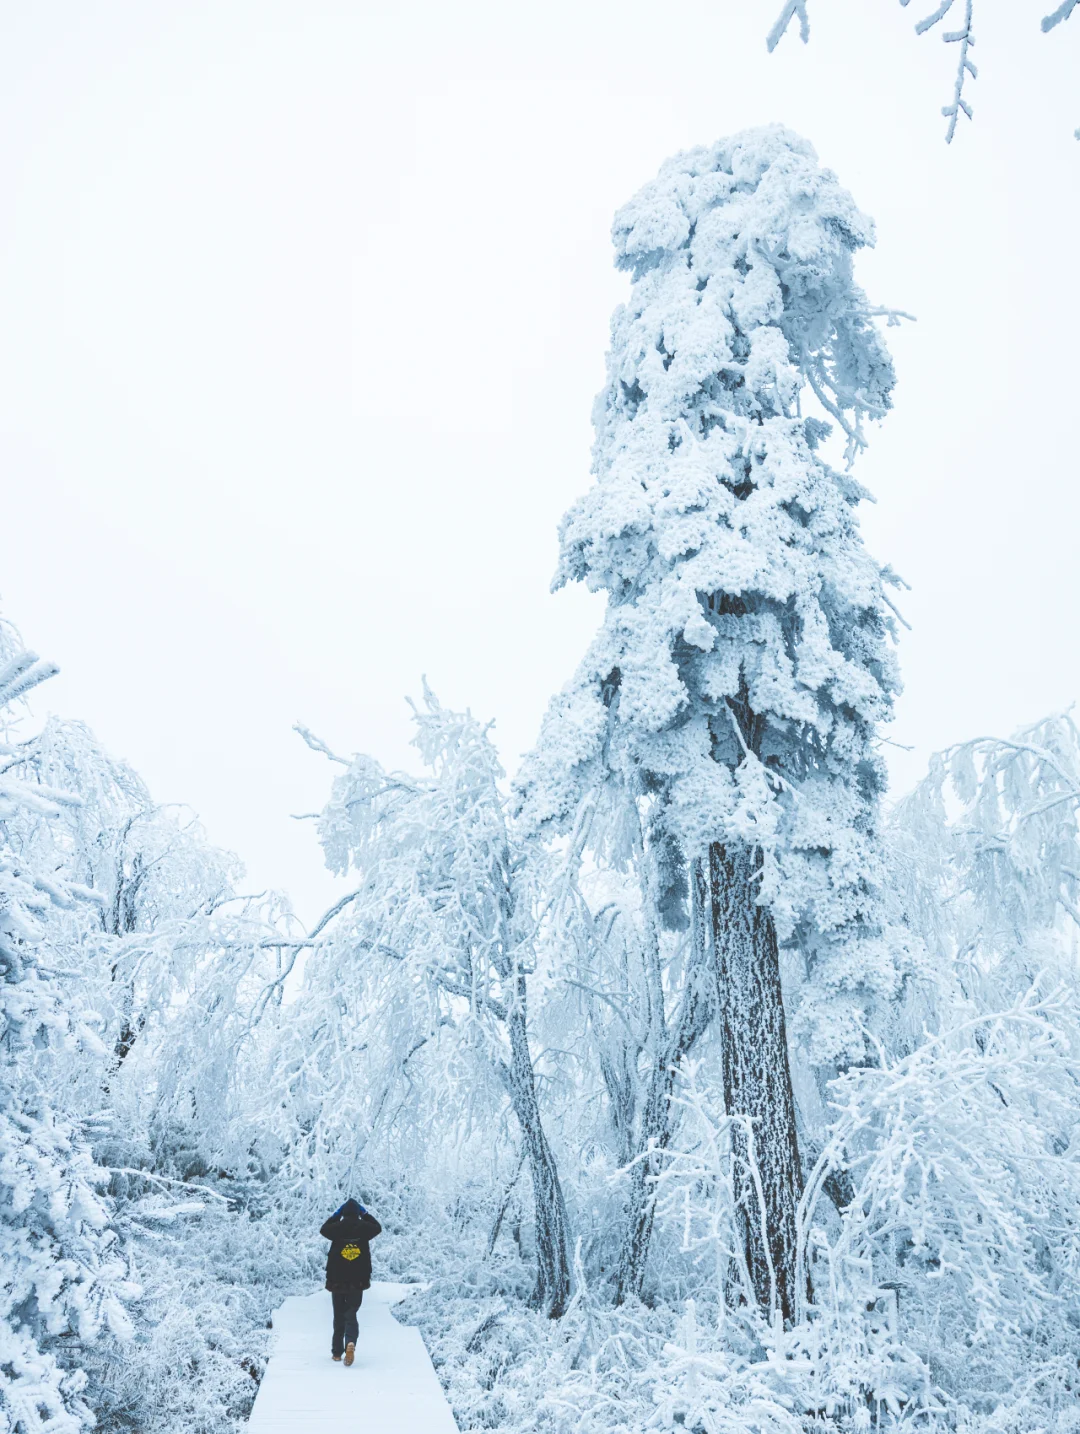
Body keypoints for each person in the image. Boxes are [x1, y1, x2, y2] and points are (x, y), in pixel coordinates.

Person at [319, 1197, 382, 1365]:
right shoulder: (364, 1228)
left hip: (337, 1279)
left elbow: (323, 1229)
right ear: (358, 1214)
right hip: (357, 1280)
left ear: (344, 1213)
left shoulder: (337, 1228)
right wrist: (366, 1214)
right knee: (351, 1312)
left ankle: (337, 1353)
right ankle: (351, 1342)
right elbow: (378, 1227)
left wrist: (335, 1216)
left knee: (338, 1314)